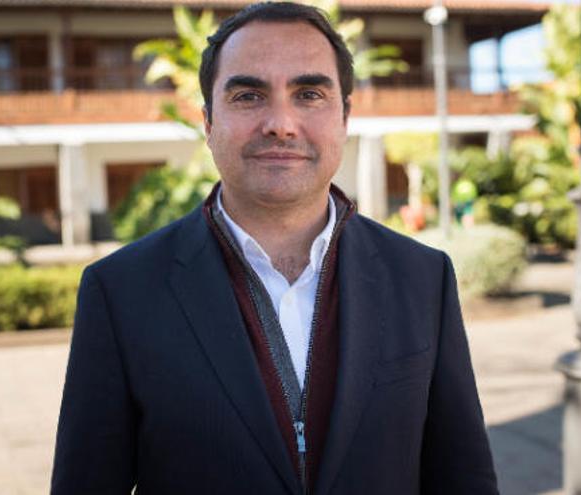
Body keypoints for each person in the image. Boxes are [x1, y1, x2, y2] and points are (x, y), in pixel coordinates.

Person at [51, 2, 498, 494]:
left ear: (345, 118)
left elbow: (464, 477)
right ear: (208, 121)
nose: (281, 123)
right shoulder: (121, 291)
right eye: (248, 95)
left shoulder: (422, 277)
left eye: (309, 93)